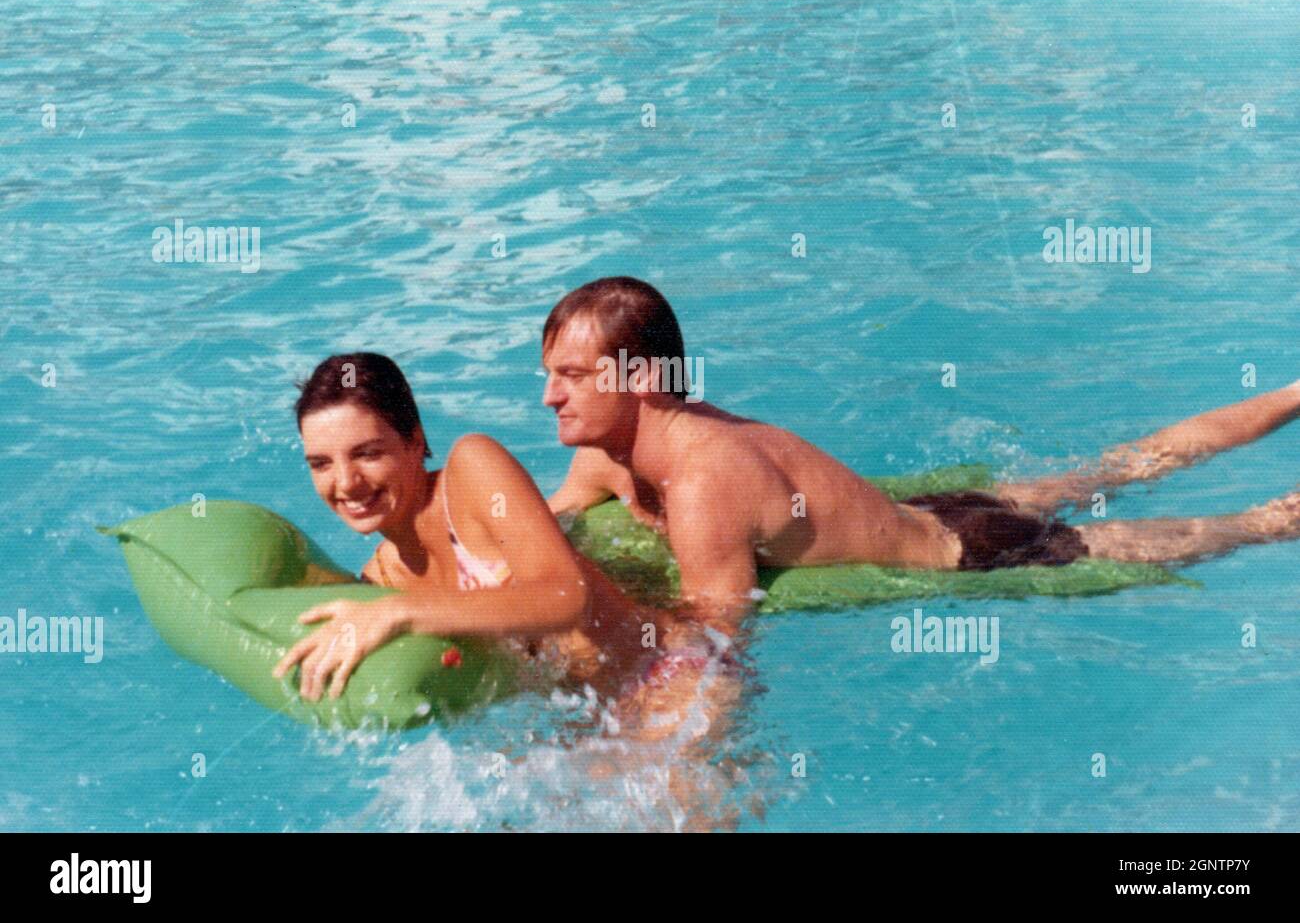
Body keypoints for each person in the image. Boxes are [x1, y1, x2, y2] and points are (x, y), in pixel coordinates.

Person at [540, 277, 1300, 735]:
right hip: (927, 507)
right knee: (1124, 463)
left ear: (639, 379)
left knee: (1230, 527)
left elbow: (712, 643)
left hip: (973, 550)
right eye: (550, 373)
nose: (551, 395)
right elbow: (549, 516)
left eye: (572, 375)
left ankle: (1283, 514)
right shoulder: (607, 455)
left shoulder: (706, 482)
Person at [272, 352, 664, 703]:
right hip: (589, 721)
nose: (345, 483)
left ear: (414, 441)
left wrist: (400, 613)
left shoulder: (470, 472)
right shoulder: (381, 581)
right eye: (321, 463)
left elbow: (567, 597)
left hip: (666, 678)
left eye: (368, 454)